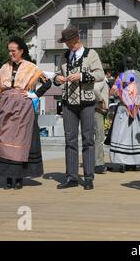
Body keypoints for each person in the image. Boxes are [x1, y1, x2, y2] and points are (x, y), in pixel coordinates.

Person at [0, 36, 51, 190]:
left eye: (13, 51)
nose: (10, 54)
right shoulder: (4, 67)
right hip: (4, 106)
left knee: (19, 142)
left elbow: (48, 83)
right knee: (3, 139)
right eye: (9, 51)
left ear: (21, 51)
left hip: (22, 108)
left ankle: (18, 178)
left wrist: (35, 95)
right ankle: (7, 177)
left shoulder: (32, 68)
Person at [53, 25, 105, 190]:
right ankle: (72, 177)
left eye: (68, 41)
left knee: (88, 139)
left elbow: (100, 74)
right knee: (70, 140)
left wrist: (82, 76)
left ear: (76, 39)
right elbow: (55, 75)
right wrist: (58, 78)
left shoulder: (91, 54)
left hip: (87, 102)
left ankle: (88, 177)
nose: (66, 44)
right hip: (68, 102)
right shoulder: (64, 56)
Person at [109, 55, 140, 172]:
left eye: (129, 62)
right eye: (127, 62)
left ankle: (125, 162)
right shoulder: (131, 75)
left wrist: (119, 90)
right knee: (127, 136)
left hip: (128, 109)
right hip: (127, 109)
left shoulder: (125, 76)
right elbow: (115, 91)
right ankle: (127, 162)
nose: (128, 64)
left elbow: (116, 91)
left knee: (123, 135)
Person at [94, 78, 110, 174]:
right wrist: (101, 100)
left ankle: (98, 162)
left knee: (98, 137)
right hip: (98, 111)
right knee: (99, 137)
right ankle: (98, 164)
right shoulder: (101, 80)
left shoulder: (99, 80)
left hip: (98, 110)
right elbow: (95, 90)